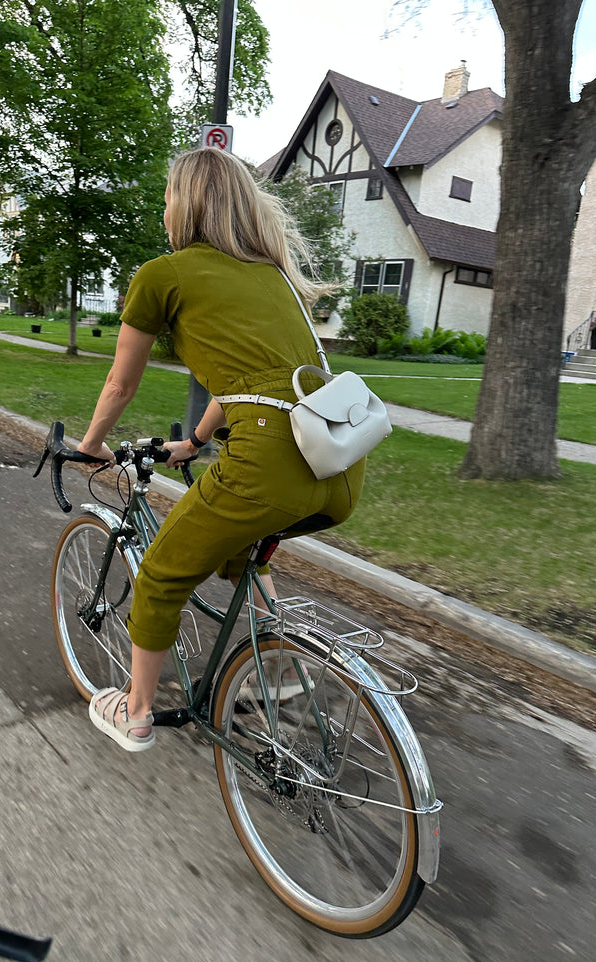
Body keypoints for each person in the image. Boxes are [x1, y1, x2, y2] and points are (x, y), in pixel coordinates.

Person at [77, 147, 366, 752]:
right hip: (338, 463)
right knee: (242, 556)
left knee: (159, 575)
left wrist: (91, 445)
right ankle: (279, 669)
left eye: (165, 199)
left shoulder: (164, 275)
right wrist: (197, 440)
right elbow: (249, 383)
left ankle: (135, 714)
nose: (163, 210)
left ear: (183, 206)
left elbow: (119, 383)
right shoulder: (275, 277)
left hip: (267, 463)